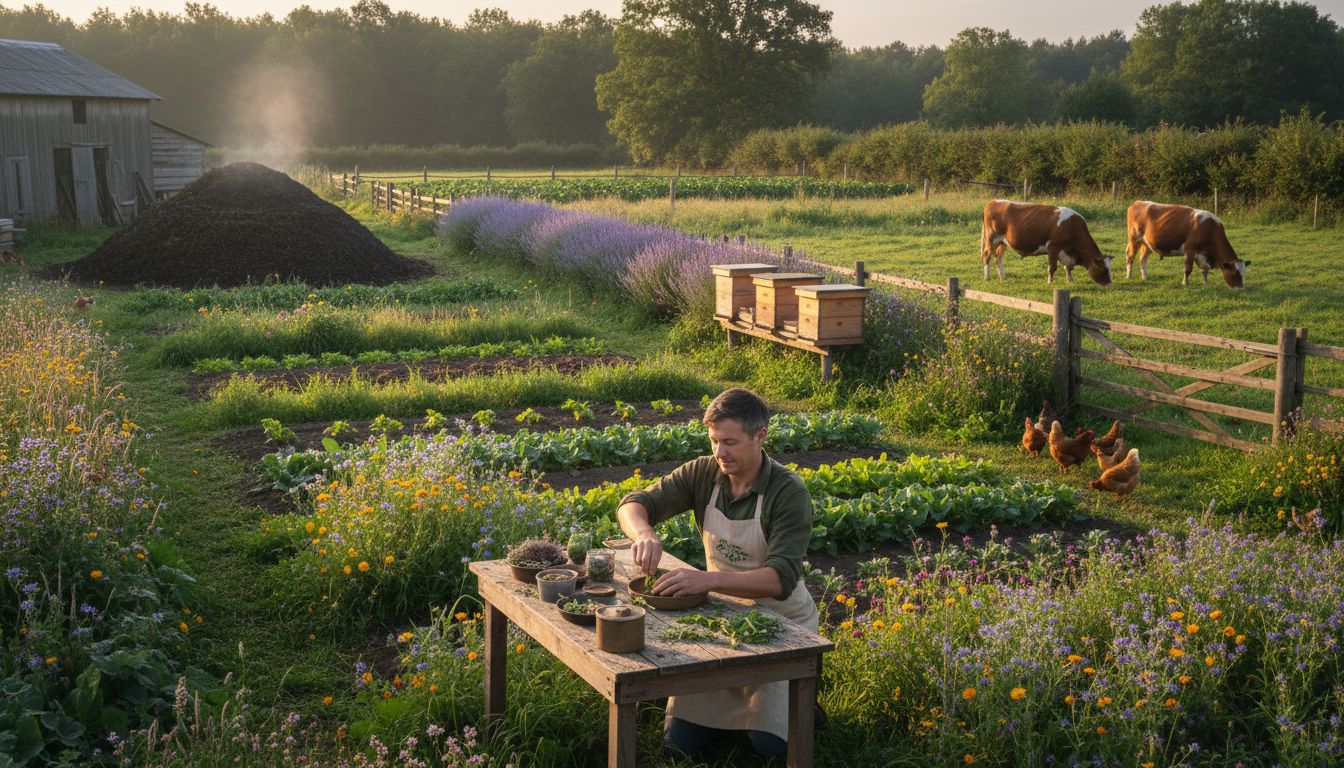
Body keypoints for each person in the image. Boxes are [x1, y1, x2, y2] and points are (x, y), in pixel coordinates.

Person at [616, 388, 818, 758]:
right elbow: (634, 504)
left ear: (760, 436)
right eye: (713, 440)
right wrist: (644, 533)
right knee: (679, 746)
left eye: (729, 442)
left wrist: (705, 579)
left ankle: (803, 702)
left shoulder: (787, 492)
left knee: (769, 746)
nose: (719, 452)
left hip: (780, 625)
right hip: (722, 622)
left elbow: (780, 579)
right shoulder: (704, 473)